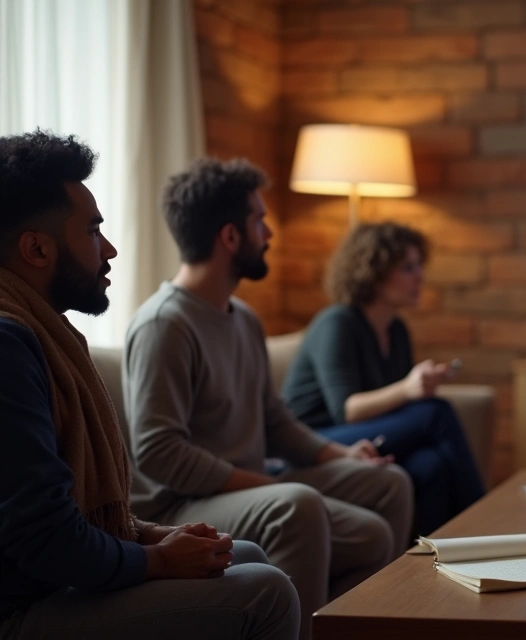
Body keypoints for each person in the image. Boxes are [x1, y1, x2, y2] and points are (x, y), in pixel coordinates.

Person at [0, 131, 298, 639]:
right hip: (18, 610)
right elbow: (44, 538)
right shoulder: (8, 345)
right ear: (35, 248)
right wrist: (156, 560)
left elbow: (74, 519)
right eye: (94, 231)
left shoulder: (41, 333)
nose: (110, 249)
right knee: (267, 593)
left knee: (240, 554)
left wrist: (157, 537)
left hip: (48, 582)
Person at [123, 158, 412, 640]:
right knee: (296, 503)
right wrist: (261, 482)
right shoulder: (164, 325)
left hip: (249, 487)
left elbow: (276, 421)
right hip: (181, 506)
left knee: (388, 484)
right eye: (260, 220)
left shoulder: (244, 319)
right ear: (230, 237)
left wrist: (344, 455)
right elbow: (157, 452)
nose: (270, 231)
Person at [281, 222, 485, 536]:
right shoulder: (337, 322)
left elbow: (394, 406)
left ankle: (437, 559)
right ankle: (483, 526)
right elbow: (346, 410)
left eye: (419, 266)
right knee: (437, 413)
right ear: (372, 273)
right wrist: (408, 389)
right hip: (317, 439)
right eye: (407, 268)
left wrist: (418, 387)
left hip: (364, 433)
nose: (420, 276)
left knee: (430, 464)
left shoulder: (397, 330)